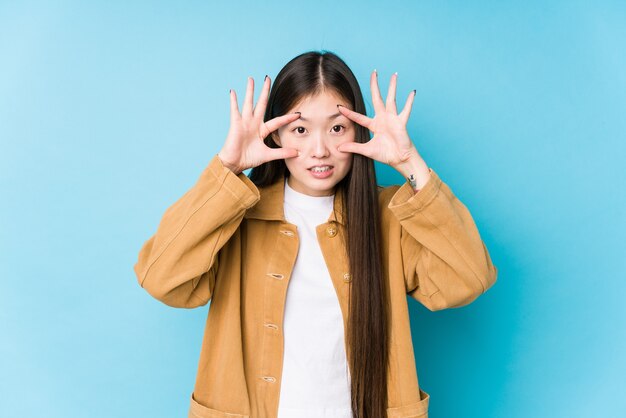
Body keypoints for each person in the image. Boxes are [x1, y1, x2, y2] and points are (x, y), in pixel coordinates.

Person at [133, 50, 498, 418]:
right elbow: (161, 278)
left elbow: (469, 278)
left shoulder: (389, 218)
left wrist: (411, 164)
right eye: (301, 130)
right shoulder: (235, 215)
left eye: (337, 127)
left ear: (358, 129)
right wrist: (227, 170)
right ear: (276, 134)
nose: (320, 150)